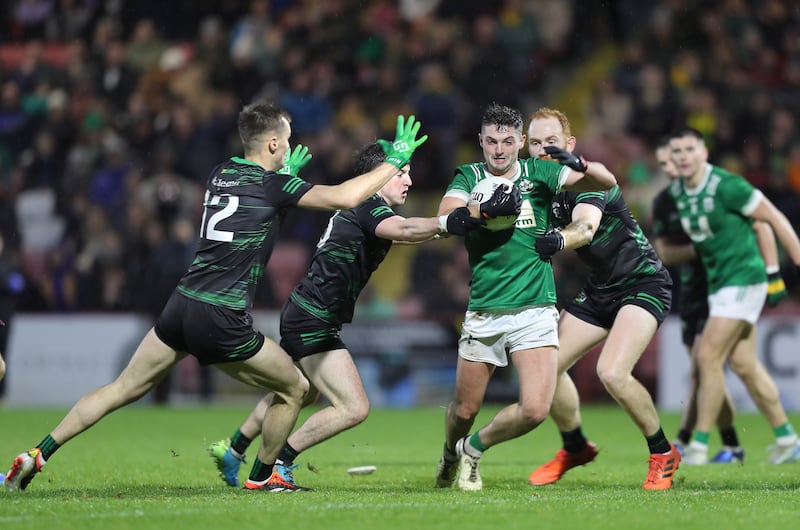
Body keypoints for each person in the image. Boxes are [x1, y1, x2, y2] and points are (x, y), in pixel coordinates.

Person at [3, 103, 429, 492]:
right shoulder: (271, 183)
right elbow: (346, 197)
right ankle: (265, 479)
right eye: (289, 138)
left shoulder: (221, 173)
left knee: (120, 389)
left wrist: (288, 181)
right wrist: (393, 161)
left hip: (182, 304)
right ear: (275, 142)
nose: (293, 145)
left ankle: (37, 454)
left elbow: (255, 212)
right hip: (220, 316)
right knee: (296, 389)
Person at [206, 142, 519, 489]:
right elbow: (404, 231)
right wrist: (456, 220)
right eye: (401, 172)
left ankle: (234, 449)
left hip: (307, 312)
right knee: (353, 406)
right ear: (377, 176)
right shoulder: (368, 205)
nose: (409, 180)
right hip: (314, 318)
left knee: (297, 392)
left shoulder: (364, 207)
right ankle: (279, 464)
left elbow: (406, 234)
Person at [433, 103, 617, 492]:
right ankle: (450, 451)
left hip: (535, 308)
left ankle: (473, 449)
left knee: (535, 410)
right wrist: (482, 211)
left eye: (507, 141)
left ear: (520, 143)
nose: (499, 150)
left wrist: (578, 162)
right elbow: (447, 214)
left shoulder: (541, 172)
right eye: (491, 142)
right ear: (481, 142)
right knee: (465, 409)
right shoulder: (469, 175)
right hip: (484, 310)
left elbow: (605, 181)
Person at [524, 108, 679, 490]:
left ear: (569, 146)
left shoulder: (588, 179)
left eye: (551, 143)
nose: (542, 149)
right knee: (546, 365)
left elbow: (585, 227)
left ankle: (663, 452)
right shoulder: (537, 185)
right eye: (534, 143)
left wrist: (560, 239)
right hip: (600, 291)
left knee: (611, 371)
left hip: (643, 284)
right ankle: (575, 446)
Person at [666, 127, 800, 465]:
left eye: (689, 149)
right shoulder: (680, 191)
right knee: (744, 364)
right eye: (677, 151)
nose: (683, 157)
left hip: (743, 280)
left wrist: (785, 265)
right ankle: (788, 440)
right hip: (720, 285)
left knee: (707, 356)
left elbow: (768, 220)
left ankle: (697, 445)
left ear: (704, 153)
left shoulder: (728, 186)